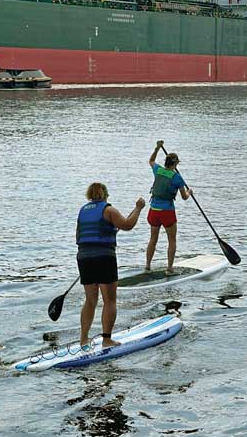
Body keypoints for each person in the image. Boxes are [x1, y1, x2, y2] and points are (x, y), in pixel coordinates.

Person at [76, 183, 145, 348]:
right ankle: (106, 340)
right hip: (104, 258)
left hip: (84, 257)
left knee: (90, 300)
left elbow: (78, 236)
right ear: (105, 194)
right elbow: (128, 225)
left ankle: (84, 339)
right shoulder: (108, 210)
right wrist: (138, 208)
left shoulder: (83, 211)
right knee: (109, 300)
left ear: (89, 195)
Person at [145, 140, 192, 274]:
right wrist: (190, 192)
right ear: (175, 164)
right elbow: (184, 197)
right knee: (172, 240)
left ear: (166, 162)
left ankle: (147, 266)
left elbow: (151, 160)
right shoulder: (177, 177)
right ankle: (170, 268)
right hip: (167, 212)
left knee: (153, 239)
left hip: (153, 211)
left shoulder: (158, 170)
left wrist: (157, 148)